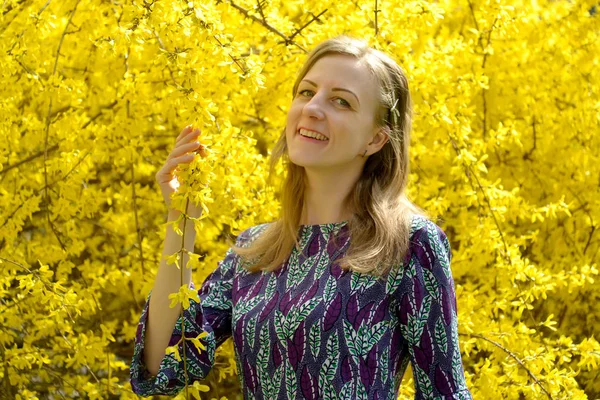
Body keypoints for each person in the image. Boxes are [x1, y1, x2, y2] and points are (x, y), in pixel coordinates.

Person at [130, 35, 473, 399]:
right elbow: (165, 369)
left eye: (341, 101)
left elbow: (445, 391)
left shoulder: (409, 244)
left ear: (375, 139)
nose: (313, 108)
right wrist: (181, 223)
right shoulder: (252, 250)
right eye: (306, 93)